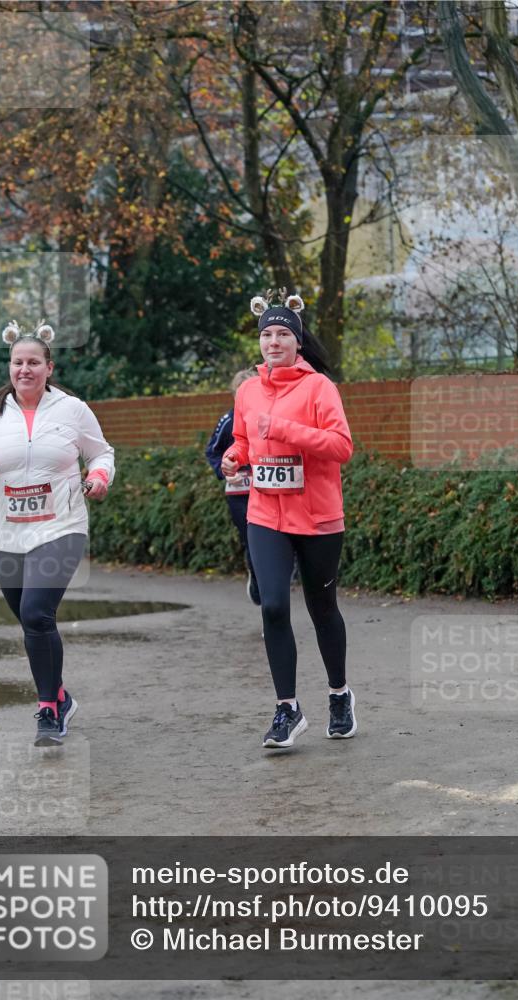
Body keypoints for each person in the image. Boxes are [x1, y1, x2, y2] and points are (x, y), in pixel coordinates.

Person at [0, 320, 115, 747]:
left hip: (61, 526)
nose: (25, 369)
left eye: (33, 362)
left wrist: (98, 476)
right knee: (29, 621)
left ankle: (47, 709)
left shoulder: (72, 409)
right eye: (18, 362)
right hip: (6, 532)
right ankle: (60, 695)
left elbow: (101, 452)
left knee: (36, 614)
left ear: (49, 367)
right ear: (10, 366)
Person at [221, 289, 356, 748]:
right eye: (266, 334)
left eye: (282, 334)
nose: (273, 341)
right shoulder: (247, 391)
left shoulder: (319, 387)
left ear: (298, 342)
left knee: (322, 610)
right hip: (265, 514)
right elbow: (242, 439)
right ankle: (287, 708)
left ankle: (339, 695)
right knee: (273, 605)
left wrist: (283, 430)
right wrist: (234, 457)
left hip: (318, 517)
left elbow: (341, 447)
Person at [205, 369, 260, 606]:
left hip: (268, 491)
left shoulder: (269, 417)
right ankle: (257, 578)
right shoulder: (228, 421)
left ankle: (278, 577)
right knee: (252, 540)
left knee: (272, 538)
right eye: (242, 393)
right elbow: (213, 451)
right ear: (235, 395)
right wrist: (225, 471)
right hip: (239, 494)